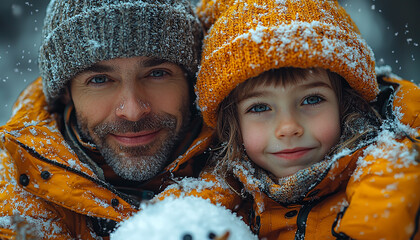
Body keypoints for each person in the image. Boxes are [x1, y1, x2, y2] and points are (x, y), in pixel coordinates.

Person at [157, 0, 420, 239]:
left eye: (312, 100)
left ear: (345, 104)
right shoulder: (221, 200)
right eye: (260, 107)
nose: (289, 128)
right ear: (233, 124)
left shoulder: (393, 181)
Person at [0, 0, 213, 239]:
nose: (132, 111)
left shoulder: (252, 185)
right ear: (66, 93)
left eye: (157, 74)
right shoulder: (14, 211)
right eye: (100, 80)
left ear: (192, 81)